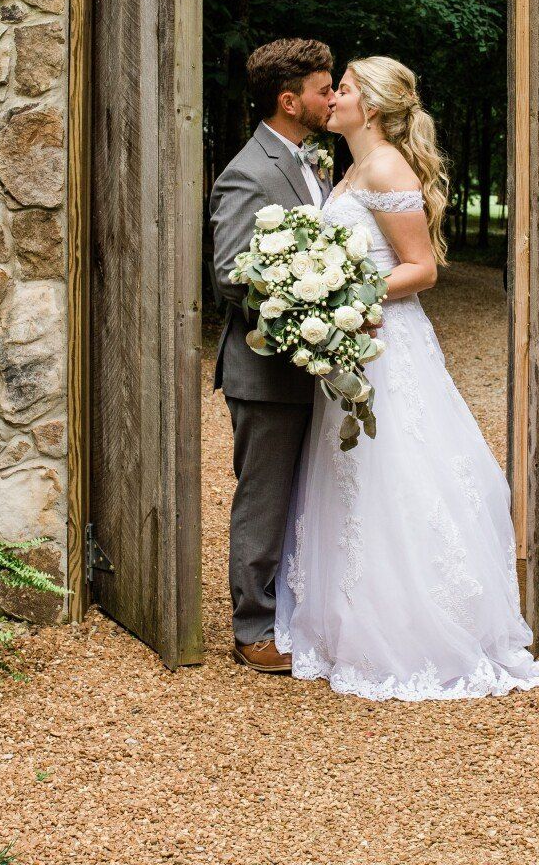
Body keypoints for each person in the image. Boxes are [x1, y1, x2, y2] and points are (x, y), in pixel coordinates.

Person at [274, 56, 539, 700]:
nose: (334, 98)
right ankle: (351, 617)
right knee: (352, 474)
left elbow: (421, 268)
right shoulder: (351, 167)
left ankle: (415, 627)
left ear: (371, 107)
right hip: (355, 340)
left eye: (345, 90)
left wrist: (344, 299)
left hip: (386, 343)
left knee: (397, 470)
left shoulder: (383, 166)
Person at [208, 38, 336, 673]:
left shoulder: (317, 160)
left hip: (317, 367)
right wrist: (315, 291)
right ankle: (251, 627)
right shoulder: (247, 172)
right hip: (265, 371)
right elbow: (230, 274)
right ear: (290, 102)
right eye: (323, 89)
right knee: (264, 496)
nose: (332, 97)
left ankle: (296, 609)